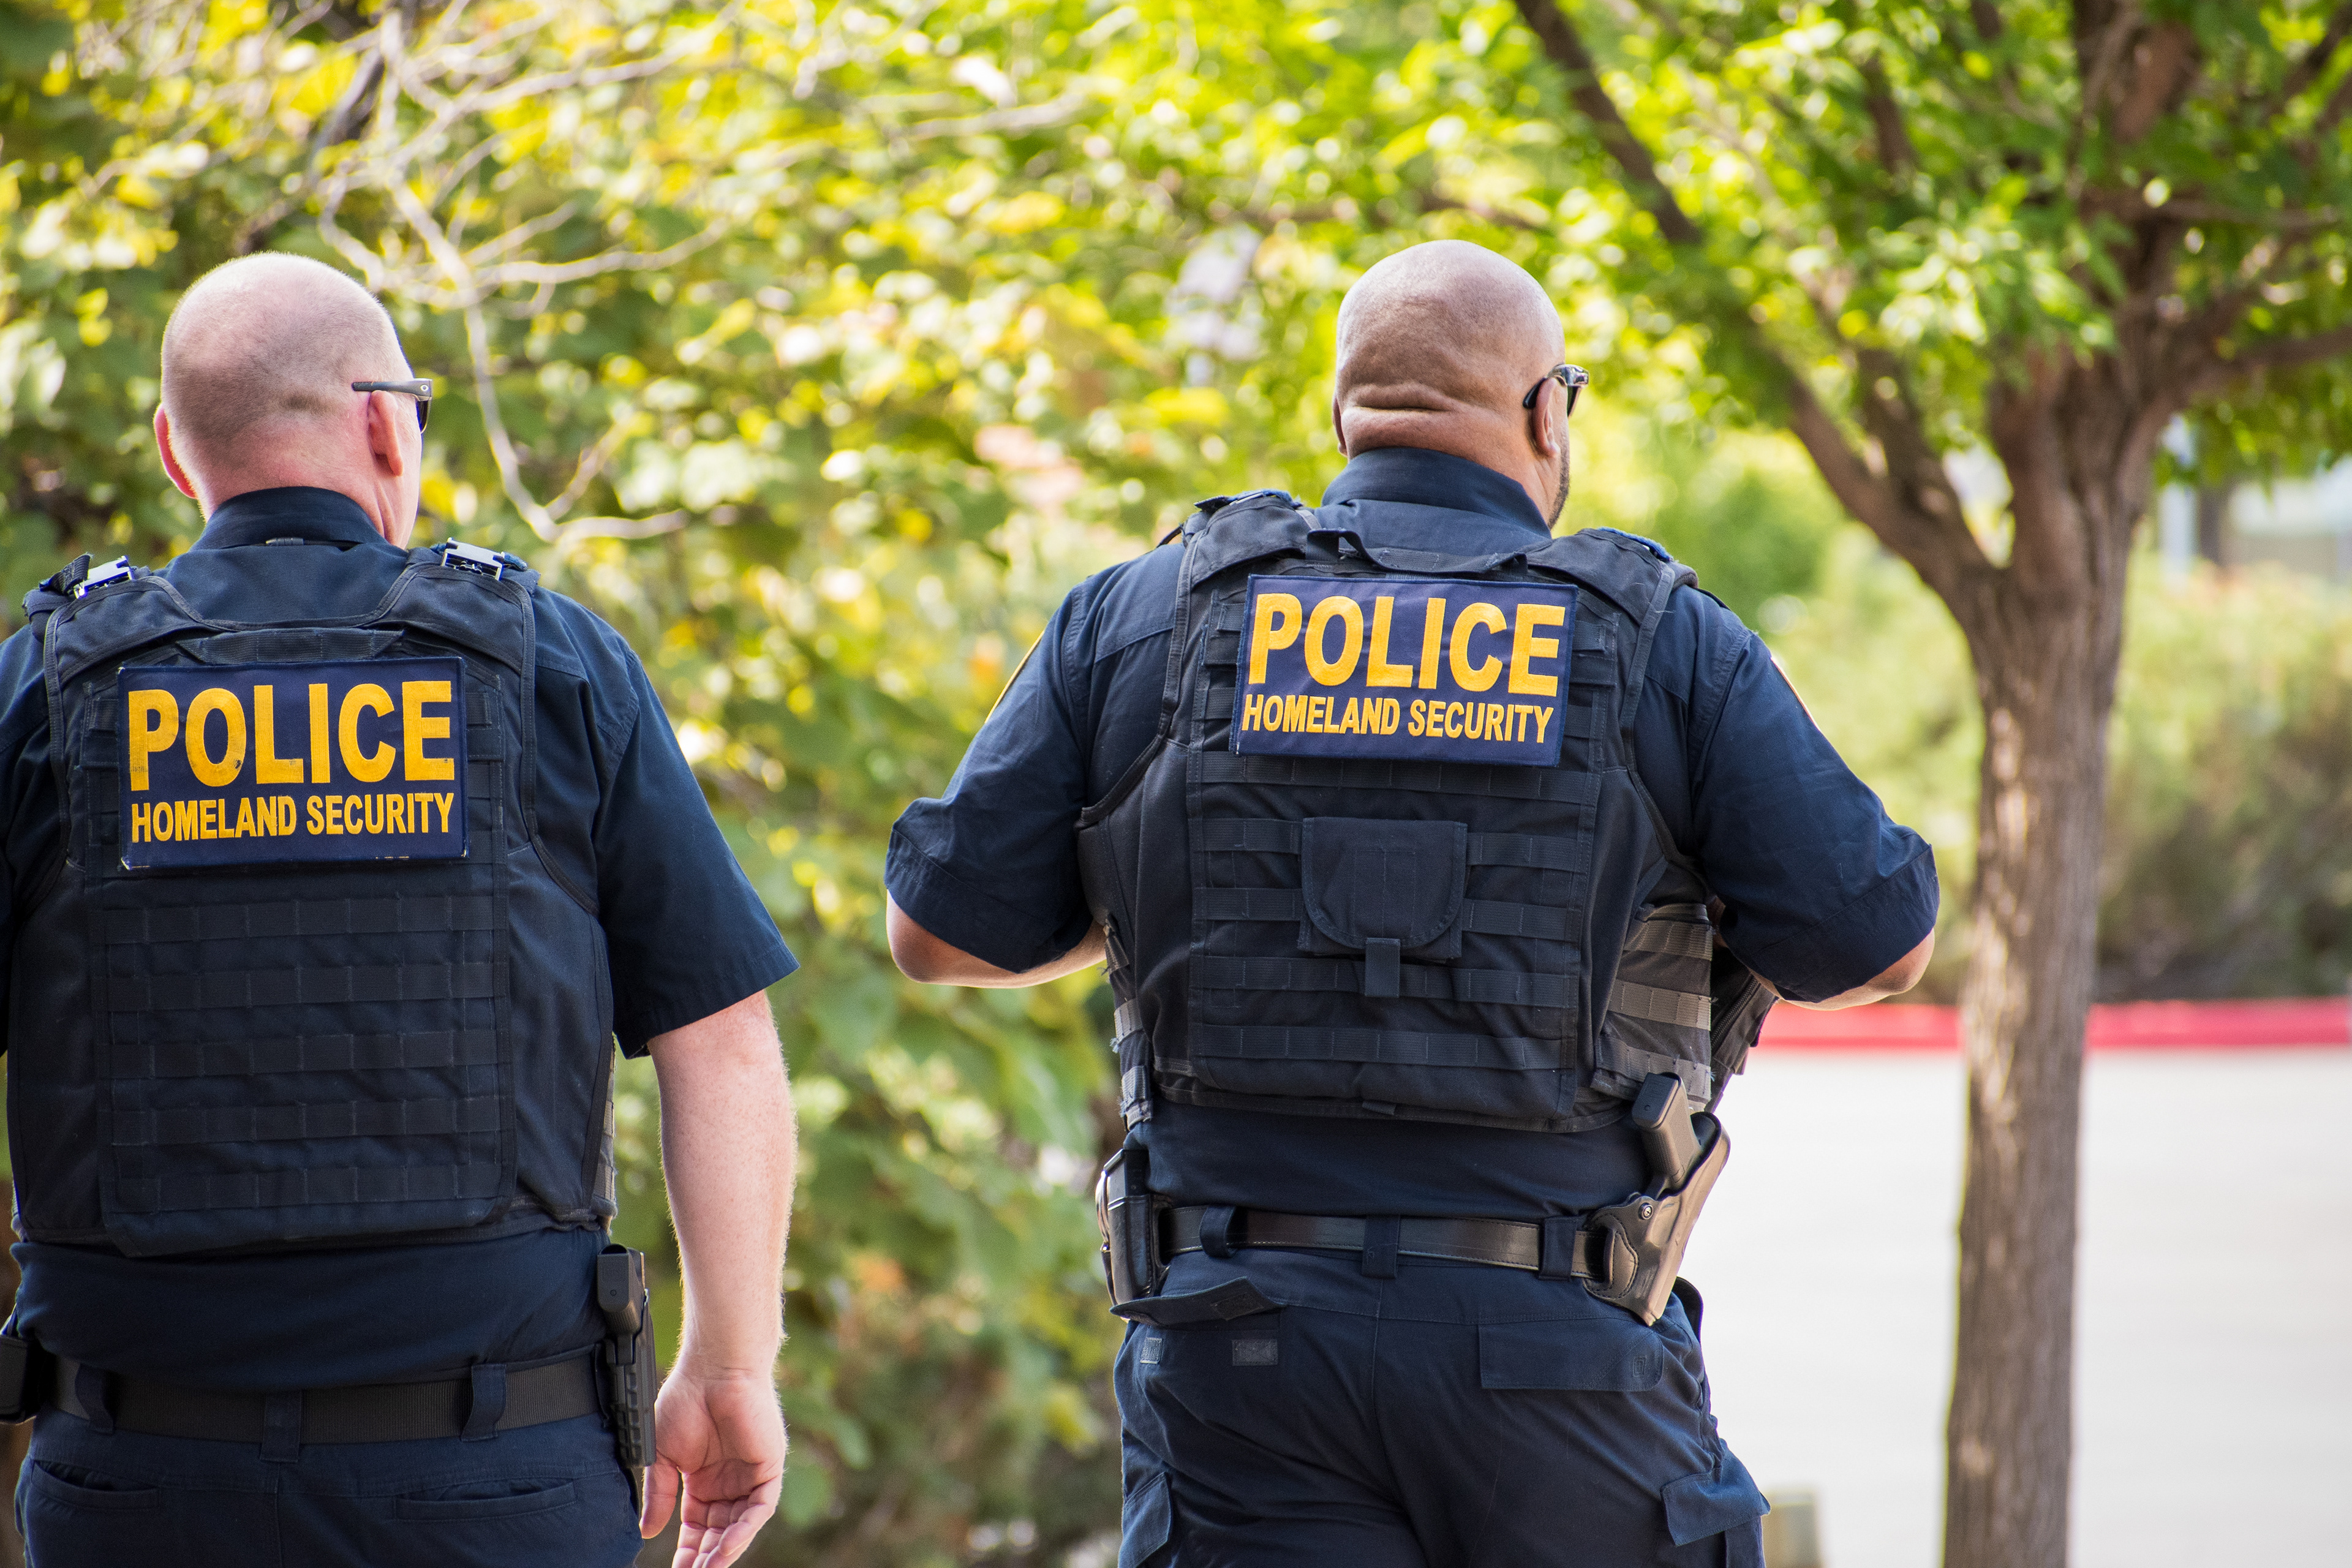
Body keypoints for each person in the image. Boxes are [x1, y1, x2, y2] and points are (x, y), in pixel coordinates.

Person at [885, 239, 1936, 1567]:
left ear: (1345, 412)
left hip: (1242, 1361)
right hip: (1559, 1365)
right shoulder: (1657, 637)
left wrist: (1161, 883)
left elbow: (939, 933)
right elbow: (1875, 940)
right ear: (1547, 411)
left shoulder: (1153, 613)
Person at [0, 253, 796, 1568]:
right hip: (493, 1478)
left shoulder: (47, 691)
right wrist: (730, 1362)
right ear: (384, 420)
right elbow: (718, 1036)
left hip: (140, 1476)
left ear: (174, 450)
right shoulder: (552, 662)